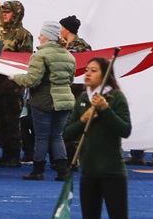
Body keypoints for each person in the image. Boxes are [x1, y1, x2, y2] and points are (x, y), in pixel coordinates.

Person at [64, 57, 131, 219]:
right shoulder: (82, 98)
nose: (88, 74)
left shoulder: (115, 98)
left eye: (94, 71)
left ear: (105, 75)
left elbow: (125, 130)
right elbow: (67, 134)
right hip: (88, 170)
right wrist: (83, 120)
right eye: (87, 70)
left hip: (112, 171)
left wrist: (106, 110)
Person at [13, 20, 76, 181]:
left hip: (44, 101)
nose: (39, 37)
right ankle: (62, 171)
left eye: (41, 34)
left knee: (41, 137)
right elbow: (70, 80)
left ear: (47, 37)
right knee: (57, 136)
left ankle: (38, 170)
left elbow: (31, 80)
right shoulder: (69, 56)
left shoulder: (40, 55)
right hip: (65, 100)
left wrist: (15, 77)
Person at [0, 0, 32, 168]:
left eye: (8, 12)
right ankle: (5, 153)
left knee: (12, 122)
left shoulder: (23, 35)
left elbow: (25, 61)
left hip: (13, 87)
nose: (5, 14)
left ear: (16, 13)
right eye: (3, 11)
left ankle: (14, 155)